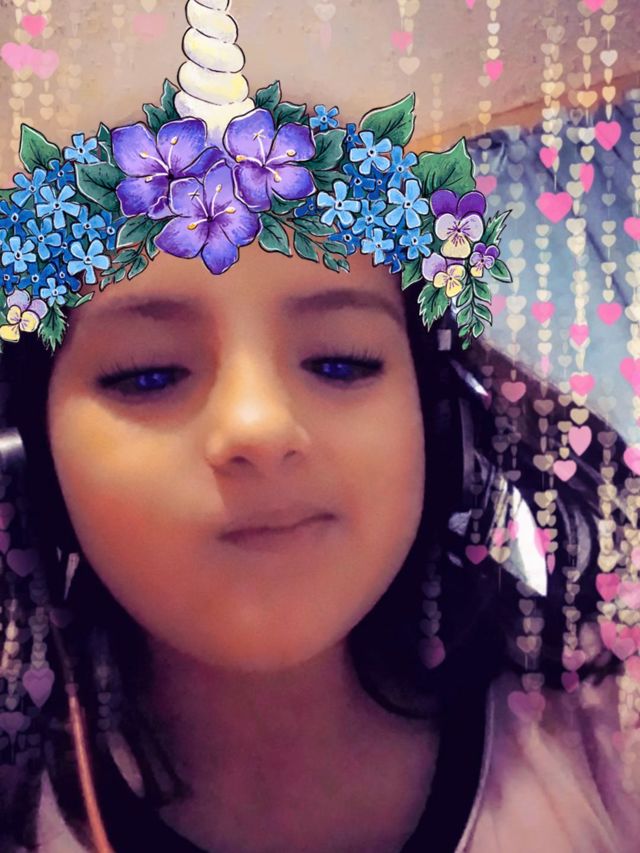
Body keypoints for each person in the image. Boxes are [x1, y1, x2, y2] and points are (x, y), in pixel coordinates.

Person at [1, 2, 639, 851]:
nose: (259, 425)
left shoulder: (607, 742)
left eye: (341, 362)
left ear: (437, 422)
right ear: (29, 460)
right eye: (147, 374)